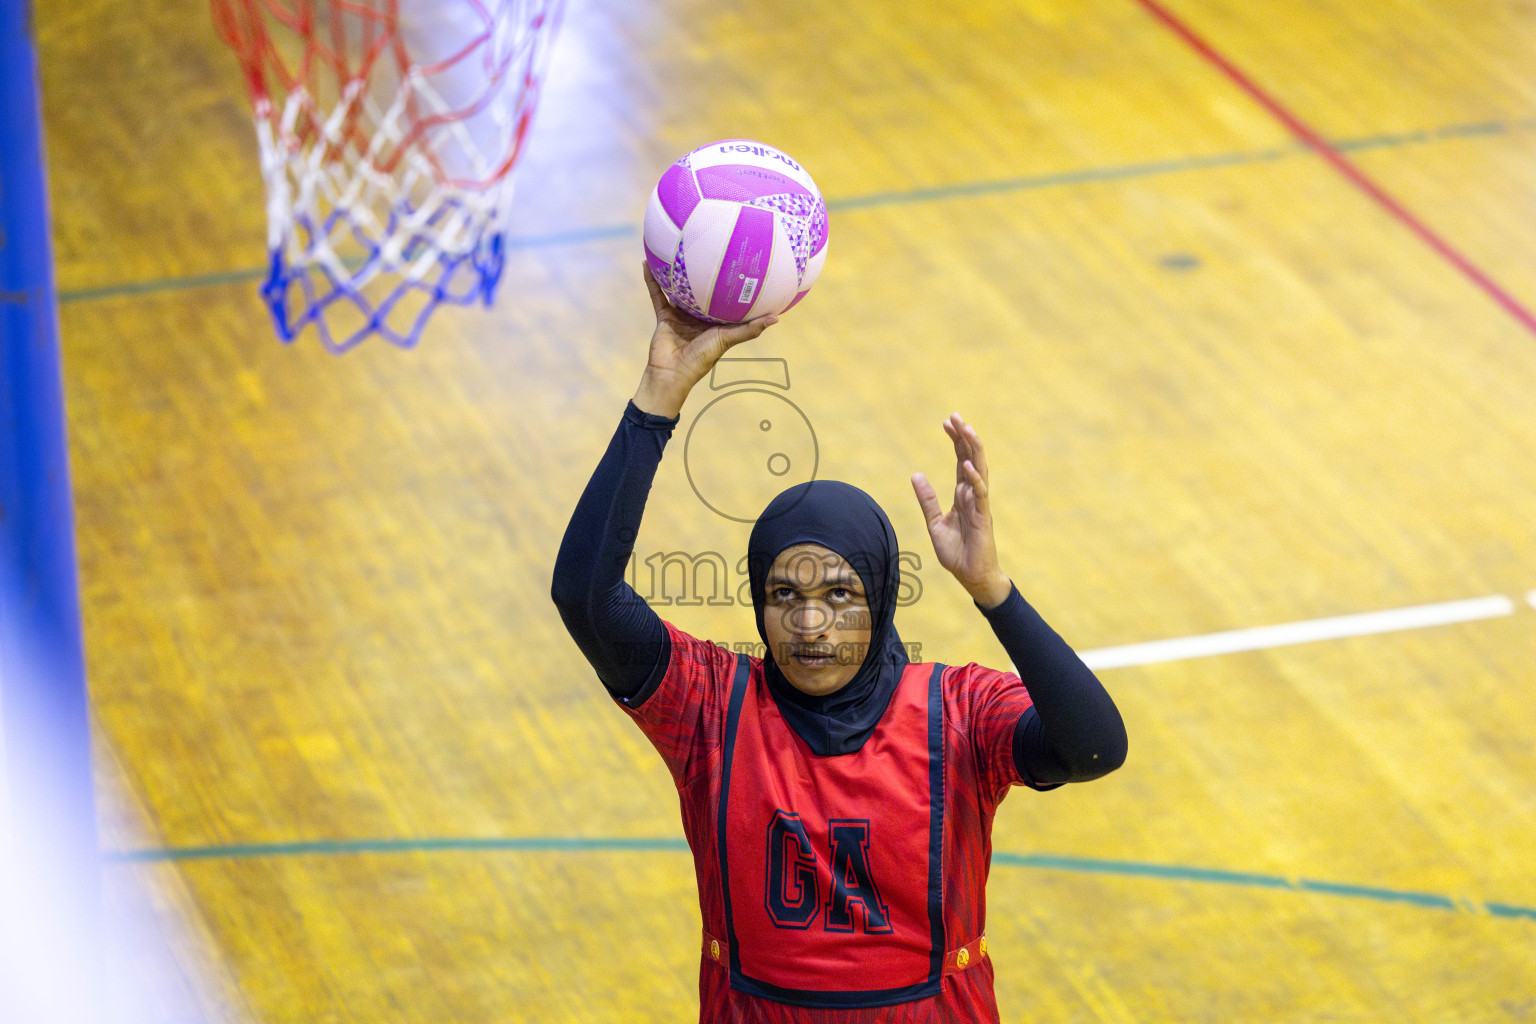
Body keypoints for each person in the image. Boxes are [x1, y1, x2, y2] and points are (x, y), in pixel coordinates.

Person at [551, 267, 1127, 1023]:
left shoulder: (956, 712)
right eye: (784, 595)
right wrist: (660, 396)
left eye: (840, 595)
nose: (811, 625)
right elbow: (585, 597)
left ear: (881, 597)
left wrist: (993, 590)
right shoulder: (707, 707)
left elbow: (1095, 748)